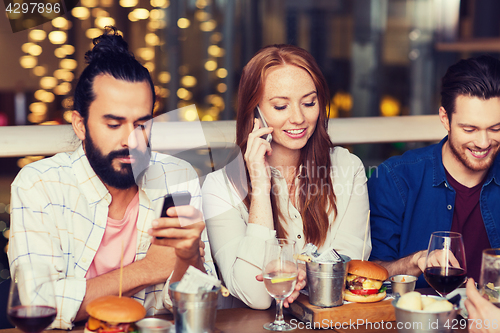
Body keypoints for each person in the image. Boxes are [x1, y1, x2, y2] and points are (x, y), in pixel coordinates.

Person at [8, 27, 215, 329]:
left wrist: (188, 259)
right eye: (114, 124)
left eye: (141, 124)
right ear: (80, 125)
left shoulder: (177, 177)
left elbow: (201, 300)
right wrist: (149, 269)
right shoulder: (39, 184)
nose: (130, 140)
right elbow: (37, 302)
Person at [202, 44, 370, 309]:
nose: (298, 118)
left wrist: (307, 274)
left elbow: (350, 263)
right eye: (281, 106)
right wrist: (259, 187)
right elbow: (255, 295)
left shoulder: (348, 168)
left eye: (309, 102)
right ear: (254, 111)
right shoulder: (219, 188)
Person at [368, 55, 500, 287]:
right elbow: (370, 273)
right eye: (469, 129)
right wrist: (417, 261)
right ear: (445, 119)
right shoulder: (396, 178)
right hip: (418, 320)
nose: (483, 142)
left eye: (496, 128)